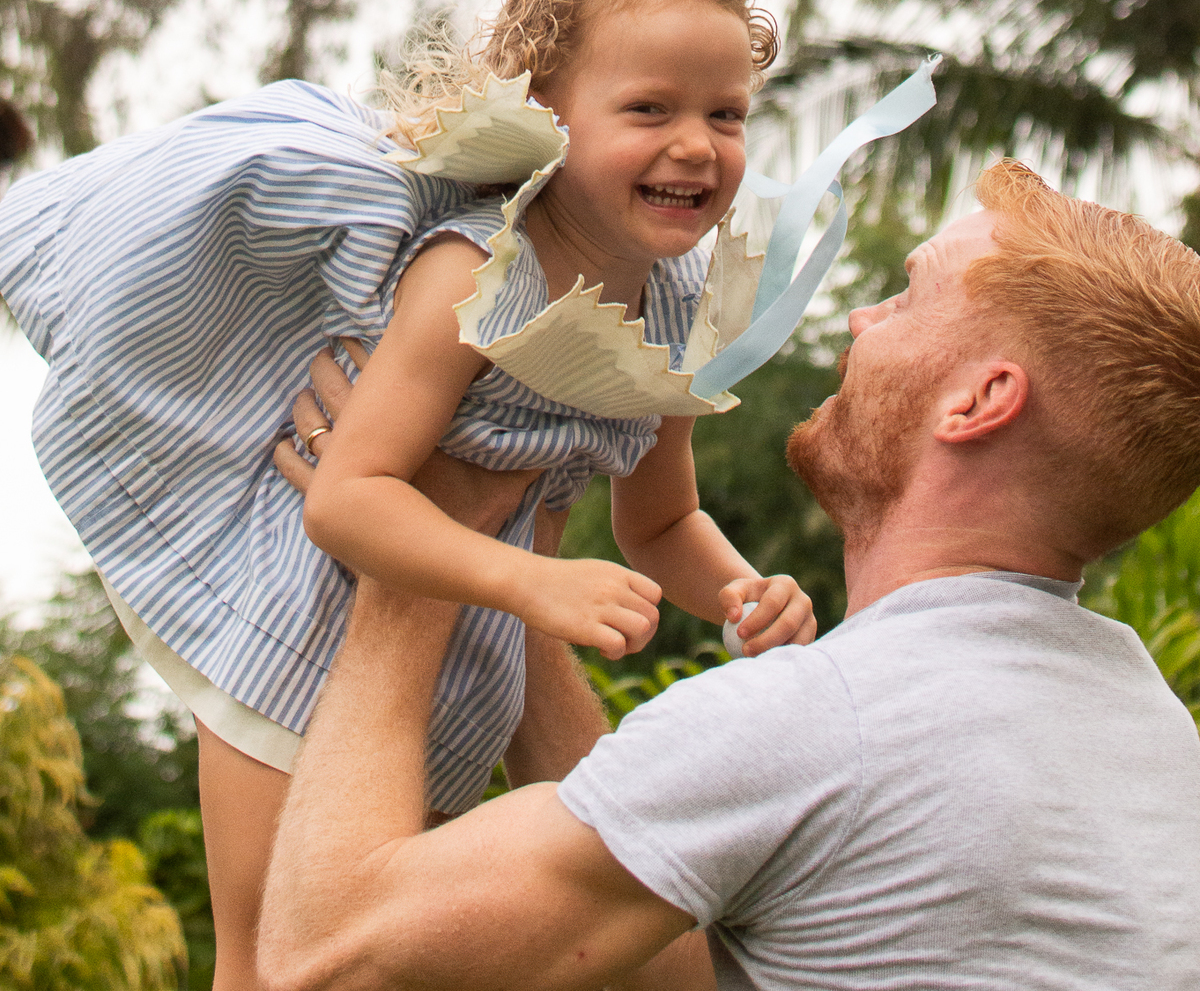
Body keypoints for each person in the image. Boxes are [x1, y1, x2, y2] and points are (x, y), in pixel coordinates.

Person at [0, 0, 823, 991]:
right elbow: (346, 498)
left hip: (464, 655)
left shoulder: (676, 309)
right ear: (549, 115)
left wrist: (740, 593)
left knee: (387, 959)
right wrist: (532, 577)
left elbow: (660, 518)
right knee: (272, 962)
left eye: (726, 112)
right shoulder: (477, 269)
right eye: (648, 108)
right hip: (304, 621)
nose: (695, 145)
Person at [258, 158, 1200, 991]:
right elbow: (646, 948)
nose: (863, 322)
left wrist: (409, 564)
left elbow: (328, 959)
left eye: (908, 300)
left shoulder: (829, 723)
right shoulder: (1156, 745)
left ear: (980, 401)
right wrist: (510, 574)